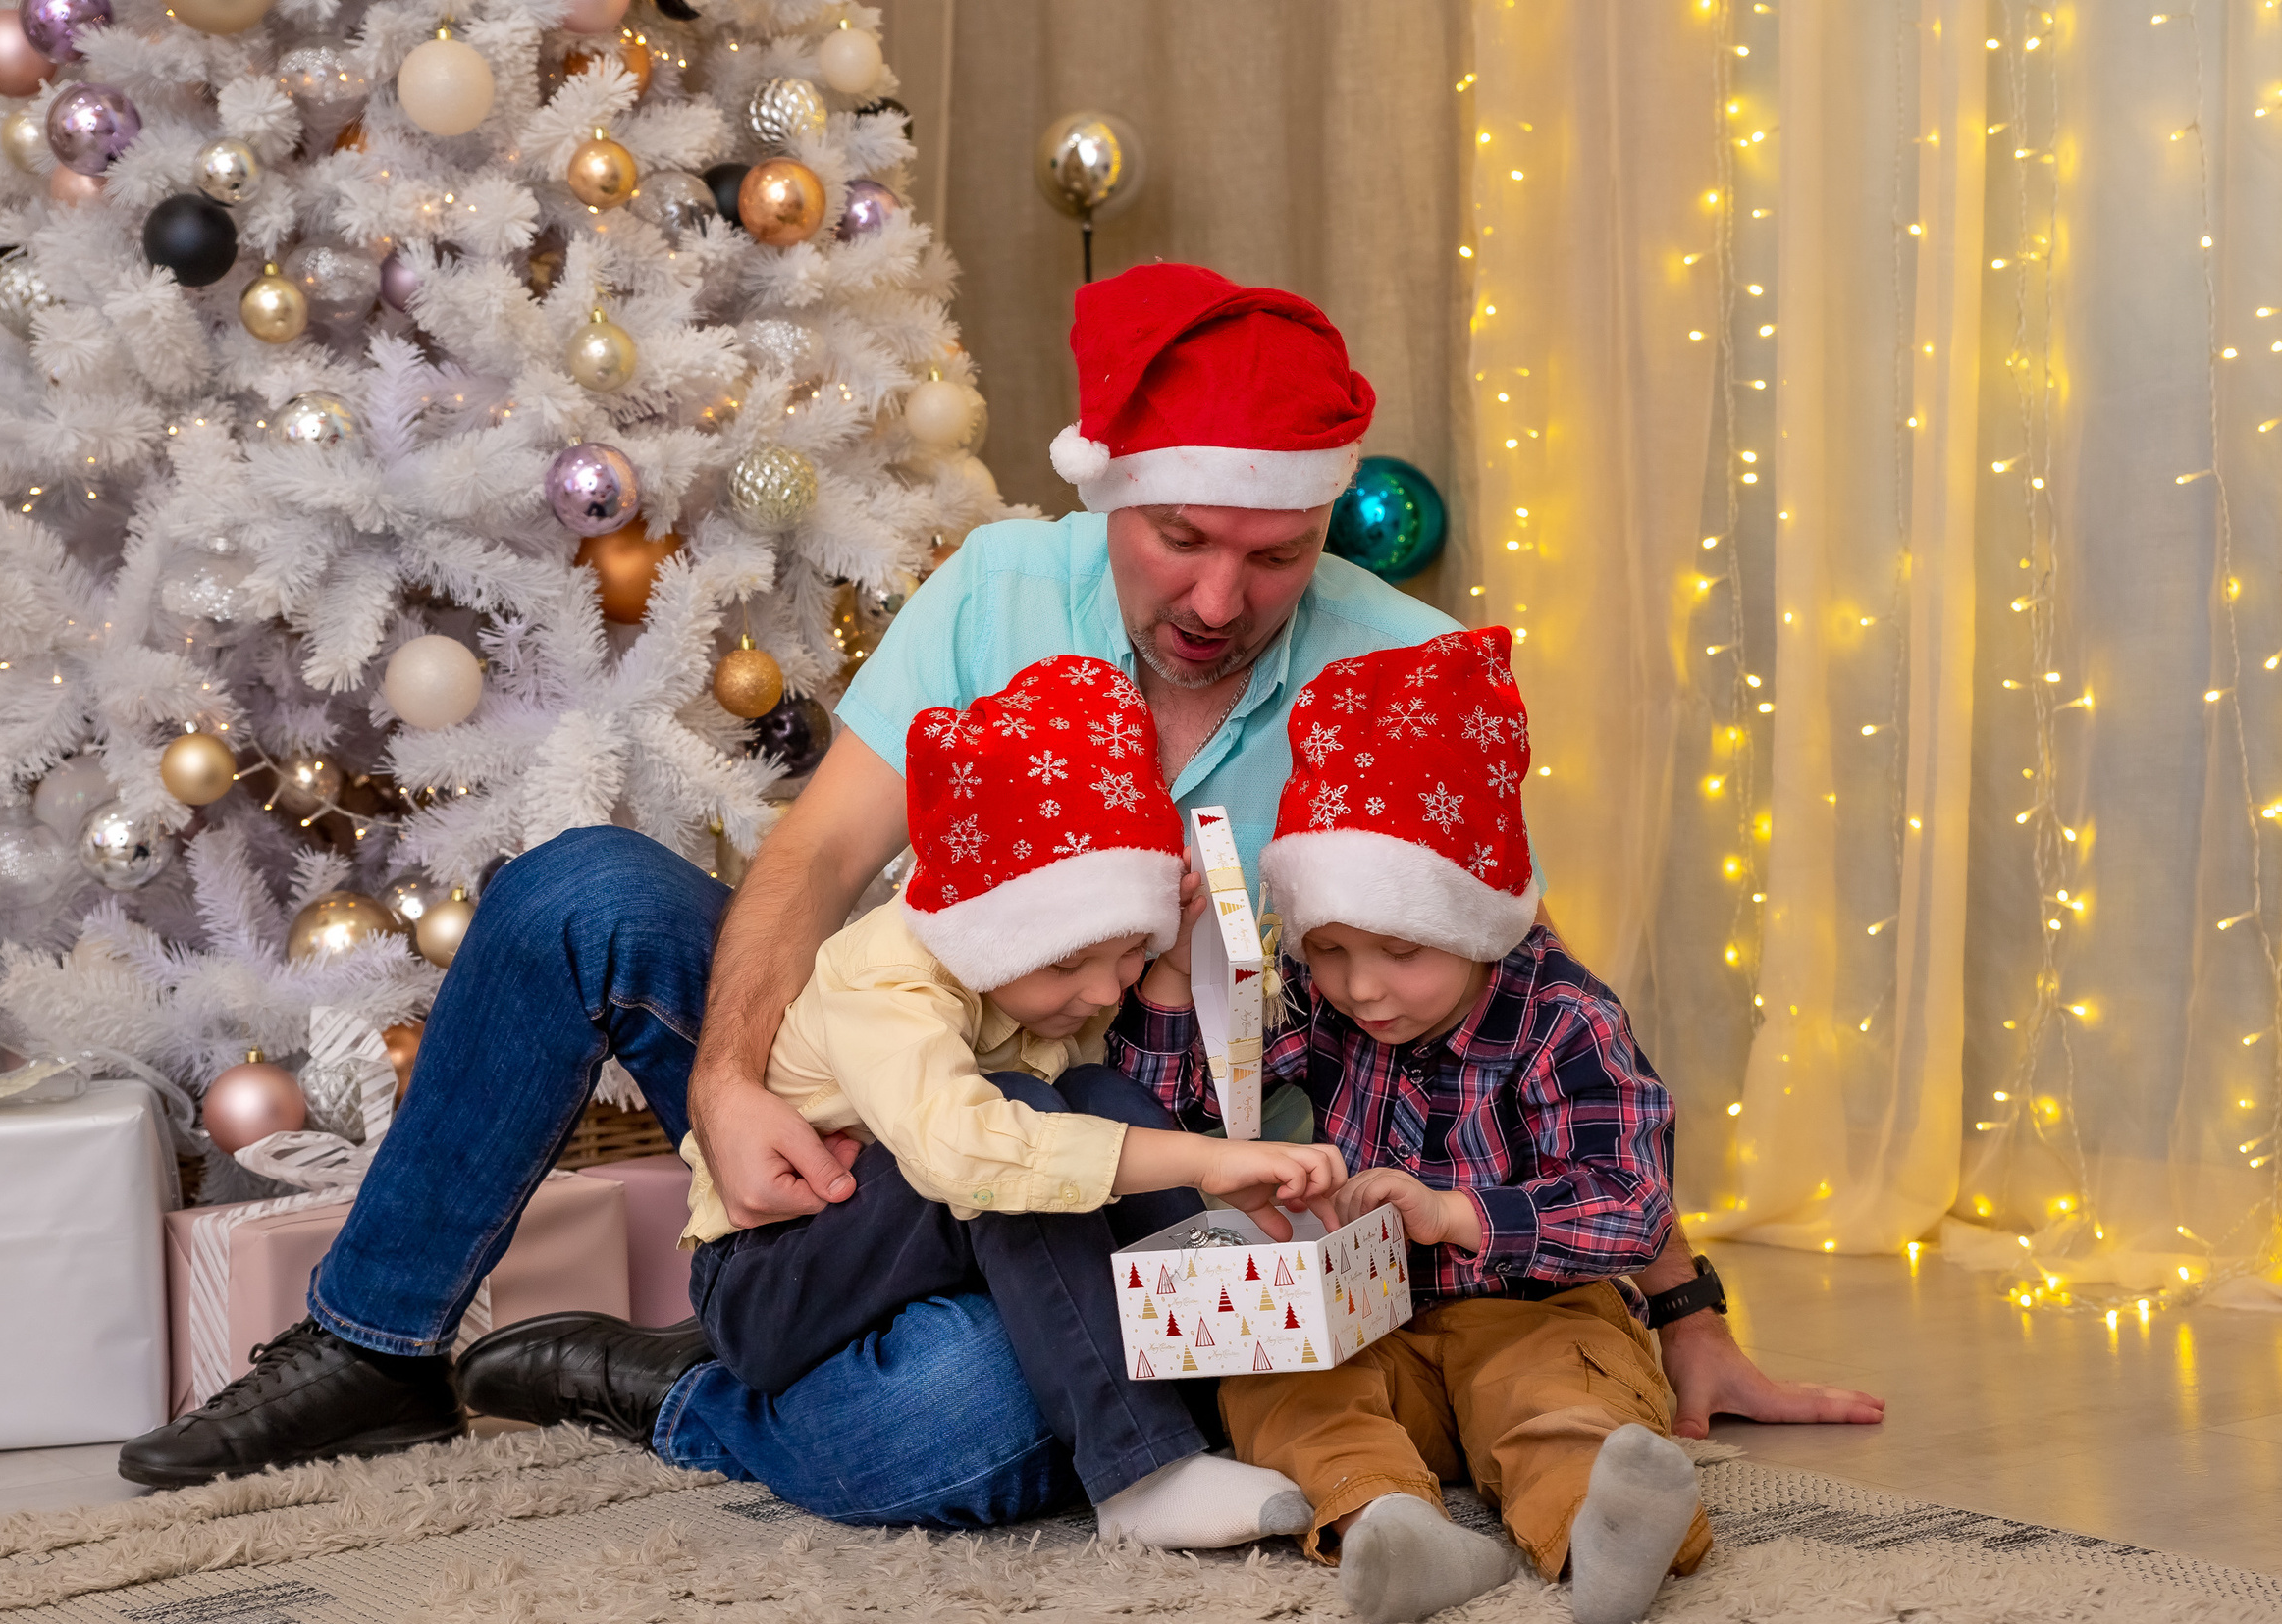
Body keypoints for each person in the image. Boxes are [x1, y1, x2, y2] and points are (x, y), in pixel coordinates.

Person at [117, 262, 1880, 1511]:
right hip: (887, 1086)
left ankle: (678, 1392)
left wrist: (1682, 1305)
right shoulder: (997, 587)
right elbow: (809, 856)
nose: (1217, 592)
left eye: (1271, 554)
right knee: (580, 886)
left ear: (1320, 534)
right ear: (1109, 493)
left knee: (973, 1424)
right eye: (1180, 535)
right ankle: (375, 1337)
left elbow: (1527, 1001)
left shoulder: (1396, 664)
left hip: (1110, 1184)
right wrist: (728, 1089)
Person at [509, 654, 1349, 1546]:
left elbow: (1099, 1109)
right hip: (775, 1273)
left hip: (914, 1251)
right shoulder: (887, 979)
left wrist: (1169, 963)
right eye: (1071, 963)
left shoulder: (1053, 980)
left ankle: (1201, 1384)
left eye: (1127, 953)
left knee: (1099, 1089)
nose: (1105, 989)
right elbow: (973, 1154)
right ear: (987, 932)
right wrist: (1209, 1158)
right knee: (1019, 1123)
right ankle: (1142, 1471)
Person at [1118, 628, 1704, 1624]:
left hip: (1533, 1310)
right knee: (1282, 1391)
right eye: (1333, 947)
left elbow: (1632, 1212)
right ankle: (1388, 1521)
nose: (1362, 986)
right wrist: (1178, 980)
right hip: (1369, 1325)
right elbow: (1183, 1111)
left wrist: (1452, 1214)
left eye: (1399, 949)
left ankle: (1600, 1531)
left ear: (1475, 920)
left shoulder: (1564, 1018)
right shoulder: (1326, 1002)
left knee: (1551, 1397)